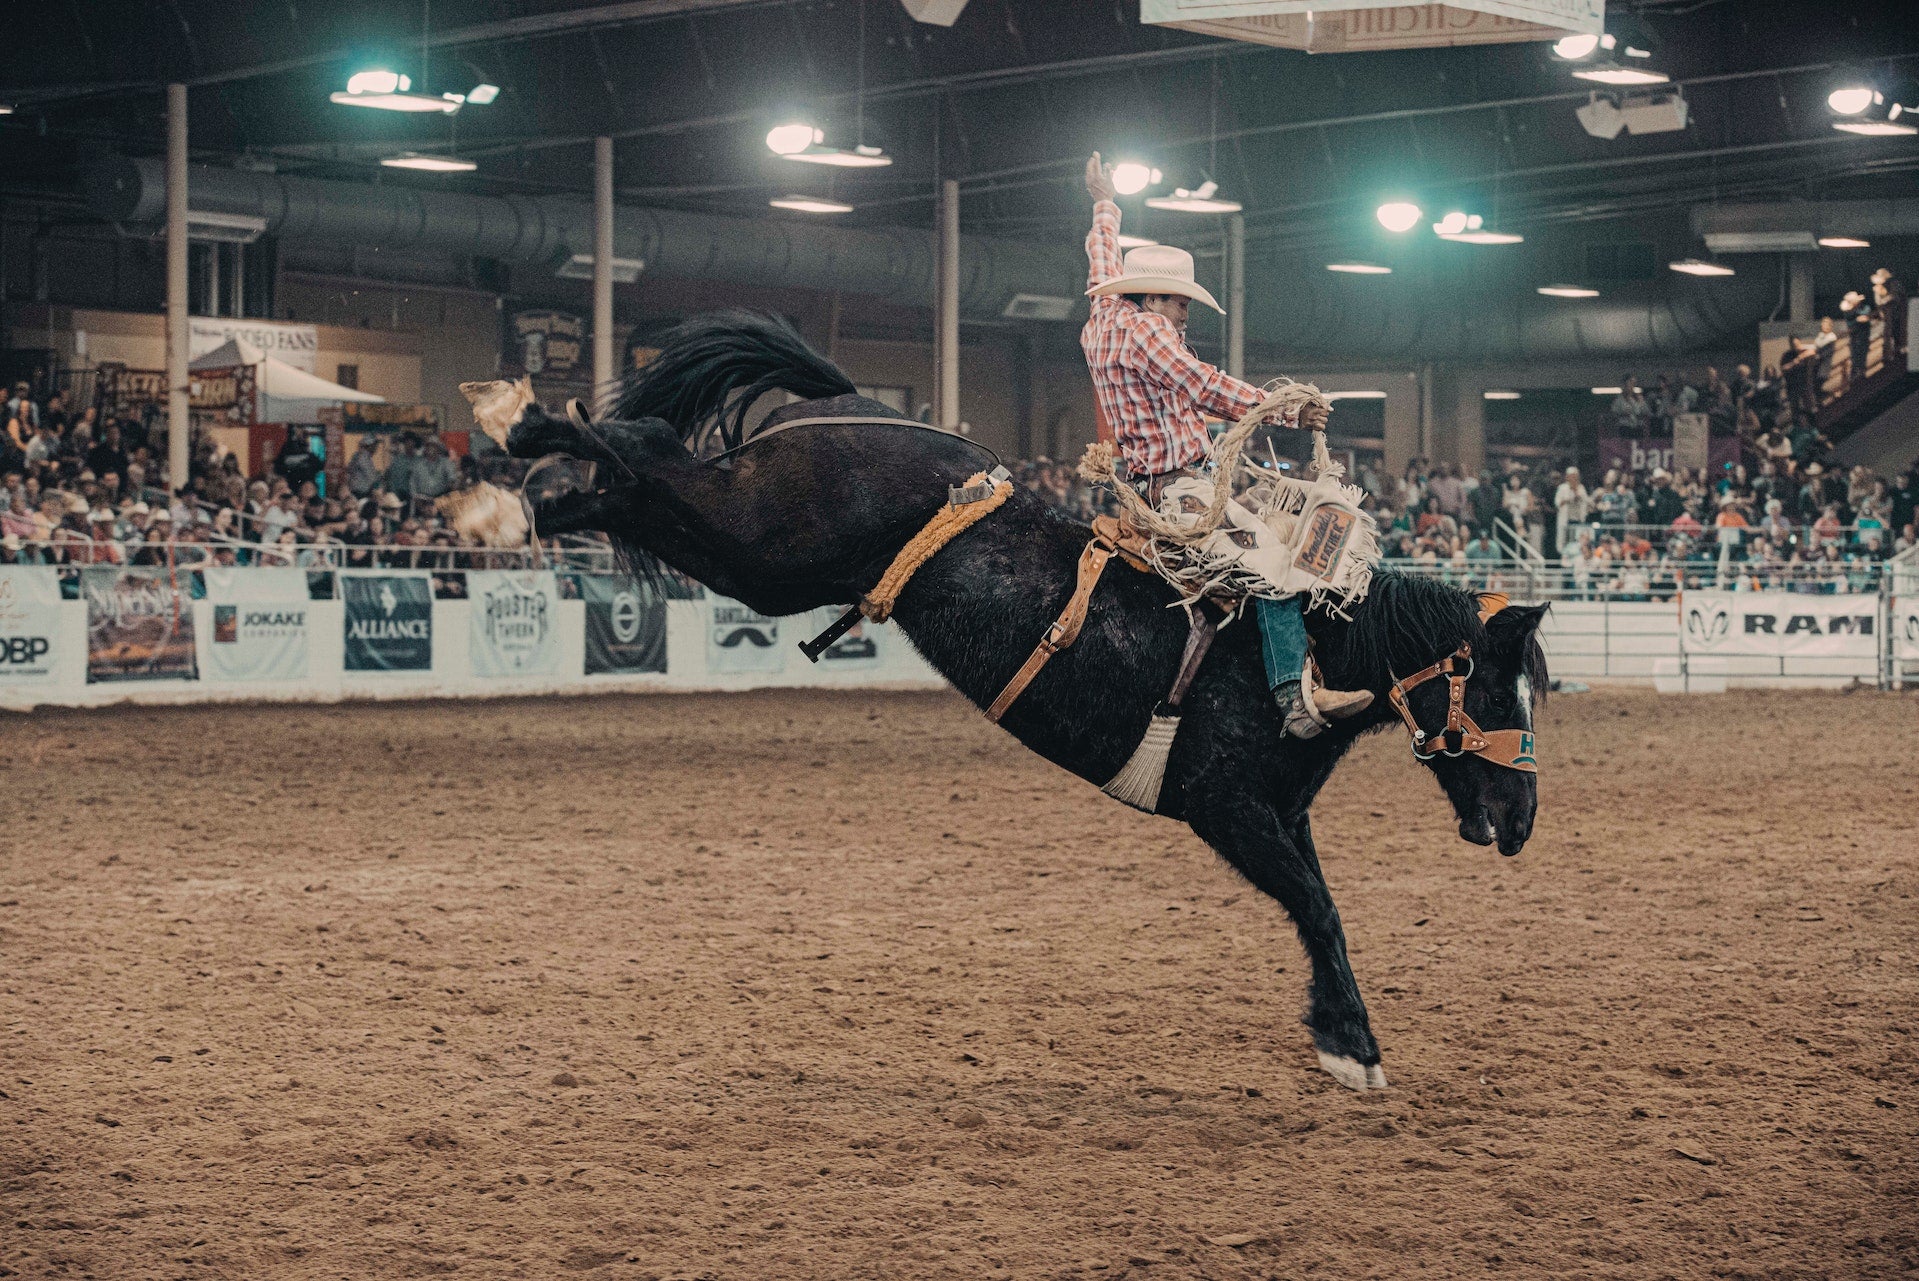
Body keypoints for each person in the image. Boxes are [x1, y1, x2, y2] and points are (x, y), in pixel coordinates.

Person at [1081, 153, 1370, 738]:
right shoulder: (1150, 332)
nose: (1185, 313)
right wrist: (1286, 406)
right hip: (1181, 491)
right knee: (1275, 569)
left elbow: (1100, 261)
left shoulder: (1105, 314)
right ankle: (1294, 700)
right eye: (1180, 300)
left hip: (1151, 487)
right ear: (1154, 298)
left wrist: (1104, 204)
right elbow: (1201, 385)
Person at [1552, 466, 1590, 560]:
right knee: (1564, 544)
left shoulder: (1581, 488)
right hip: (1565, 521)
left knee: (1577, 543)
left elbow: (1587, 502)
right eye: (1571, 476)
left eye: (1575, 476)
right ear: (1567, 477)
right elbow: (1557, 503)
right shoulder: (1562, 488)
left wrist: (1578, 496)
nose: (1573, 478)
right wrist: (1567, 500)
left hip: (1578, 520)